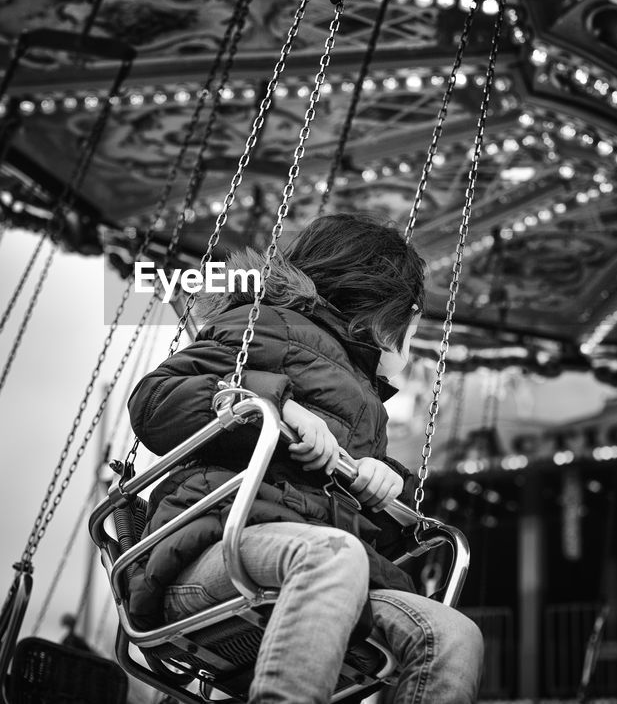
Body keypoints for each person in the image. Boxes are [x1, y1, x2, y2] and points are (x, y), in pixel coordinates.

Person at [126, 213, 483, 704]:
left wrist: (383, 480)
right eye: (411, 320)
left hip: (320, 563)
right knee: (331, 556)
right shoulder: (264, 324)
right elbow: (155, 401)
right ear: (380, 310)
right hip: (216, 549)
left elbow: (351, 508)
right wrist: (276, 403)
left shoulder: (367, 402)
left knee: (452, 633)